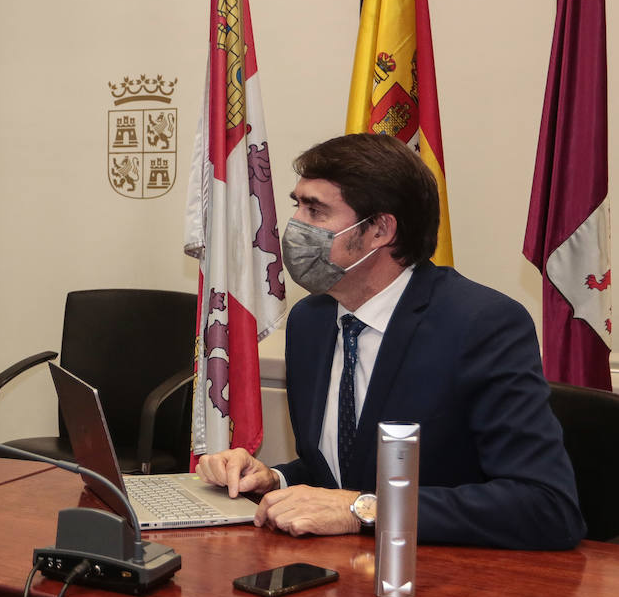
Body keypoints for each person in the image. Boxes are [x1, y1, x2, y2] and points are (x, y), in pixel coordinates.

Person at [196, 133, 585, 550]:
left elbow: (546, 506)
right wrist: (274, 478)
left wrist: (362, 510)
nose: (294, 226)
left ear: (380, 229)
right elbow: (343, 472)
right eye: (298, 205)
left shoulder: (482, 325)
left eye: (315, 210)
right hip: (342, 578)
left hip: (446, 582)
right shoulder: (311, 321)